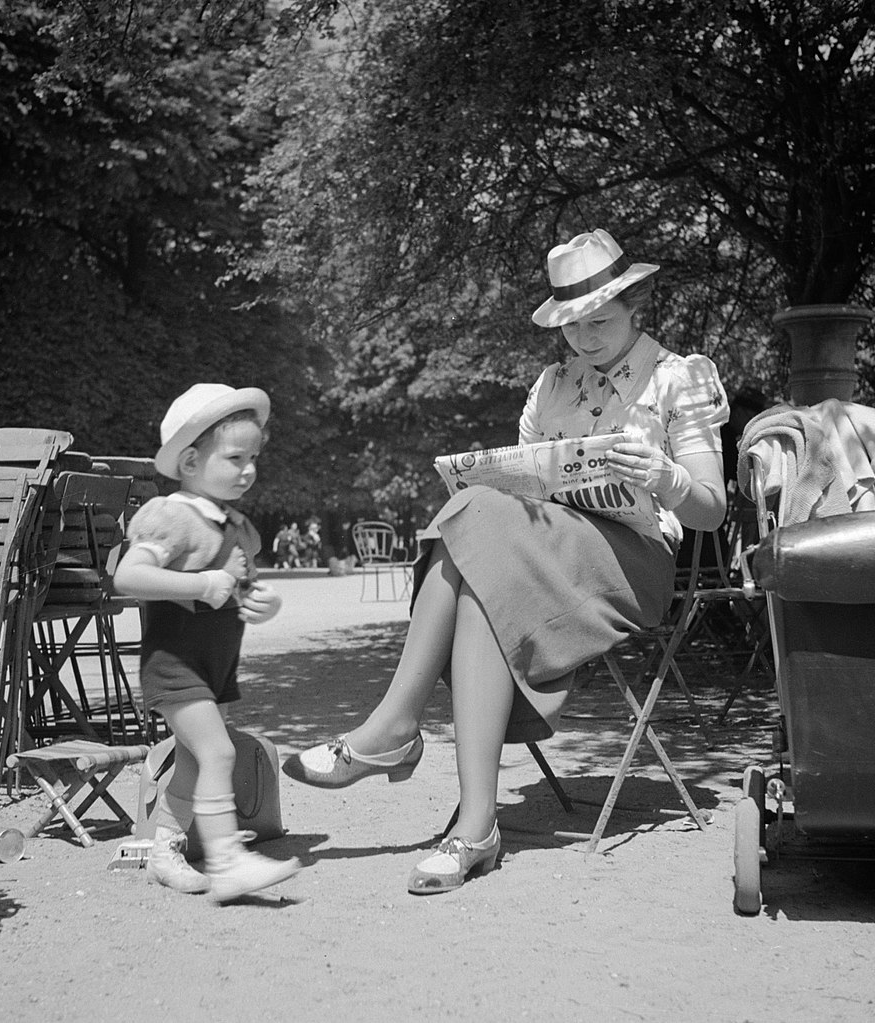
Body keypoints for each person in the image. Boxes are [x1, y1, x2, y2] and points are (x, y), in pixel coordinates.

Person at [284, 229, 729, 895]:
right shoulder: (549, 385)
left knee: (472, 521)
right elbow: (525, 482)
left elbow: (711, 511)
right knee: (477, 529)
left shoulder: (677, 377)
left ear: (637, 304)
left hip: (631, 566)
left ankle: (396, 727)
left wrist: (664, 476)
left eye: (599, 322)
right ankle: (475, 828)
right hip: (544, 552)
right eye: (570, 327)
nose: (583, 340)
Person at [114, 383, 299, 901]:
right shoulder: (171, 516)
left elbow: (239, 594)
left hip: (212, 666)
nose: (248, 469)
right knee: (218, 753)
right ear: (191, 461)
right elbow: (128, 577)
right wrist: (200, 584)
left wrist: (261, 604)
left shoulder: (239, 526)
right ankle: (227, 861)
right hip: (175, 664)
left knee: (196, 762)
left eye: (253, 457)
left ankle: (164, 848)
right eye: (235, 457)